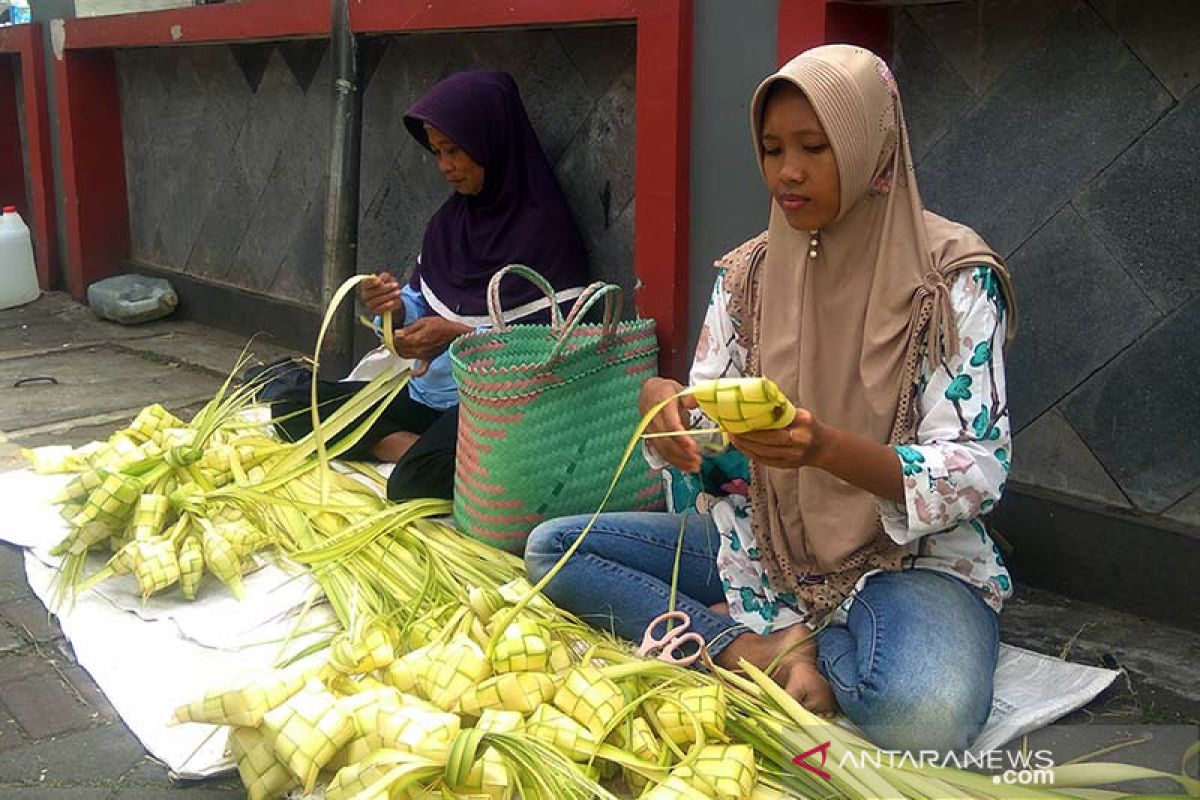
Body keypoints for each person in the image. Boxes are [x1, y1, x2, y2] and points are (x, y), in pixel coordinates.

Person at [525, 45, 1017, 754]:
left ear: (871, 144)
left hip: (908, 563)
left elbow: (976, 467)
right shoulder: (748, 274)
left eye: (815, 147)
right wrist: (666, 408)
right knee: (555, 550)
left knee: (923, 713)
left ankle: (814, 640)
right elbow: (711, 415)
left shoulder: (950, 281)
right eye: (772, 148)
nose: (788, 171)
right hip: (763, 544)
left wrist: (827, 451)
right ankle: (753, 649)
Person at [274, 70, 590, 502]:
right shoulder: (448, 225)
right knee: (292, 405)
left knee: (412, 482)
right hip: (427, 395)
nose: (445, 166)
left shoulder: (546, 233)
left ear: (490, 142)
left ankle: (412, 453)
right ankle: (409, 448)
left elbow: (557, 353)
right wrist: (394, 310)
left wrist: (461, 338)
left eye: (454, 151)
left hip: (492, 411)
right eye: (437, 152)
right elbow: (422, 302)